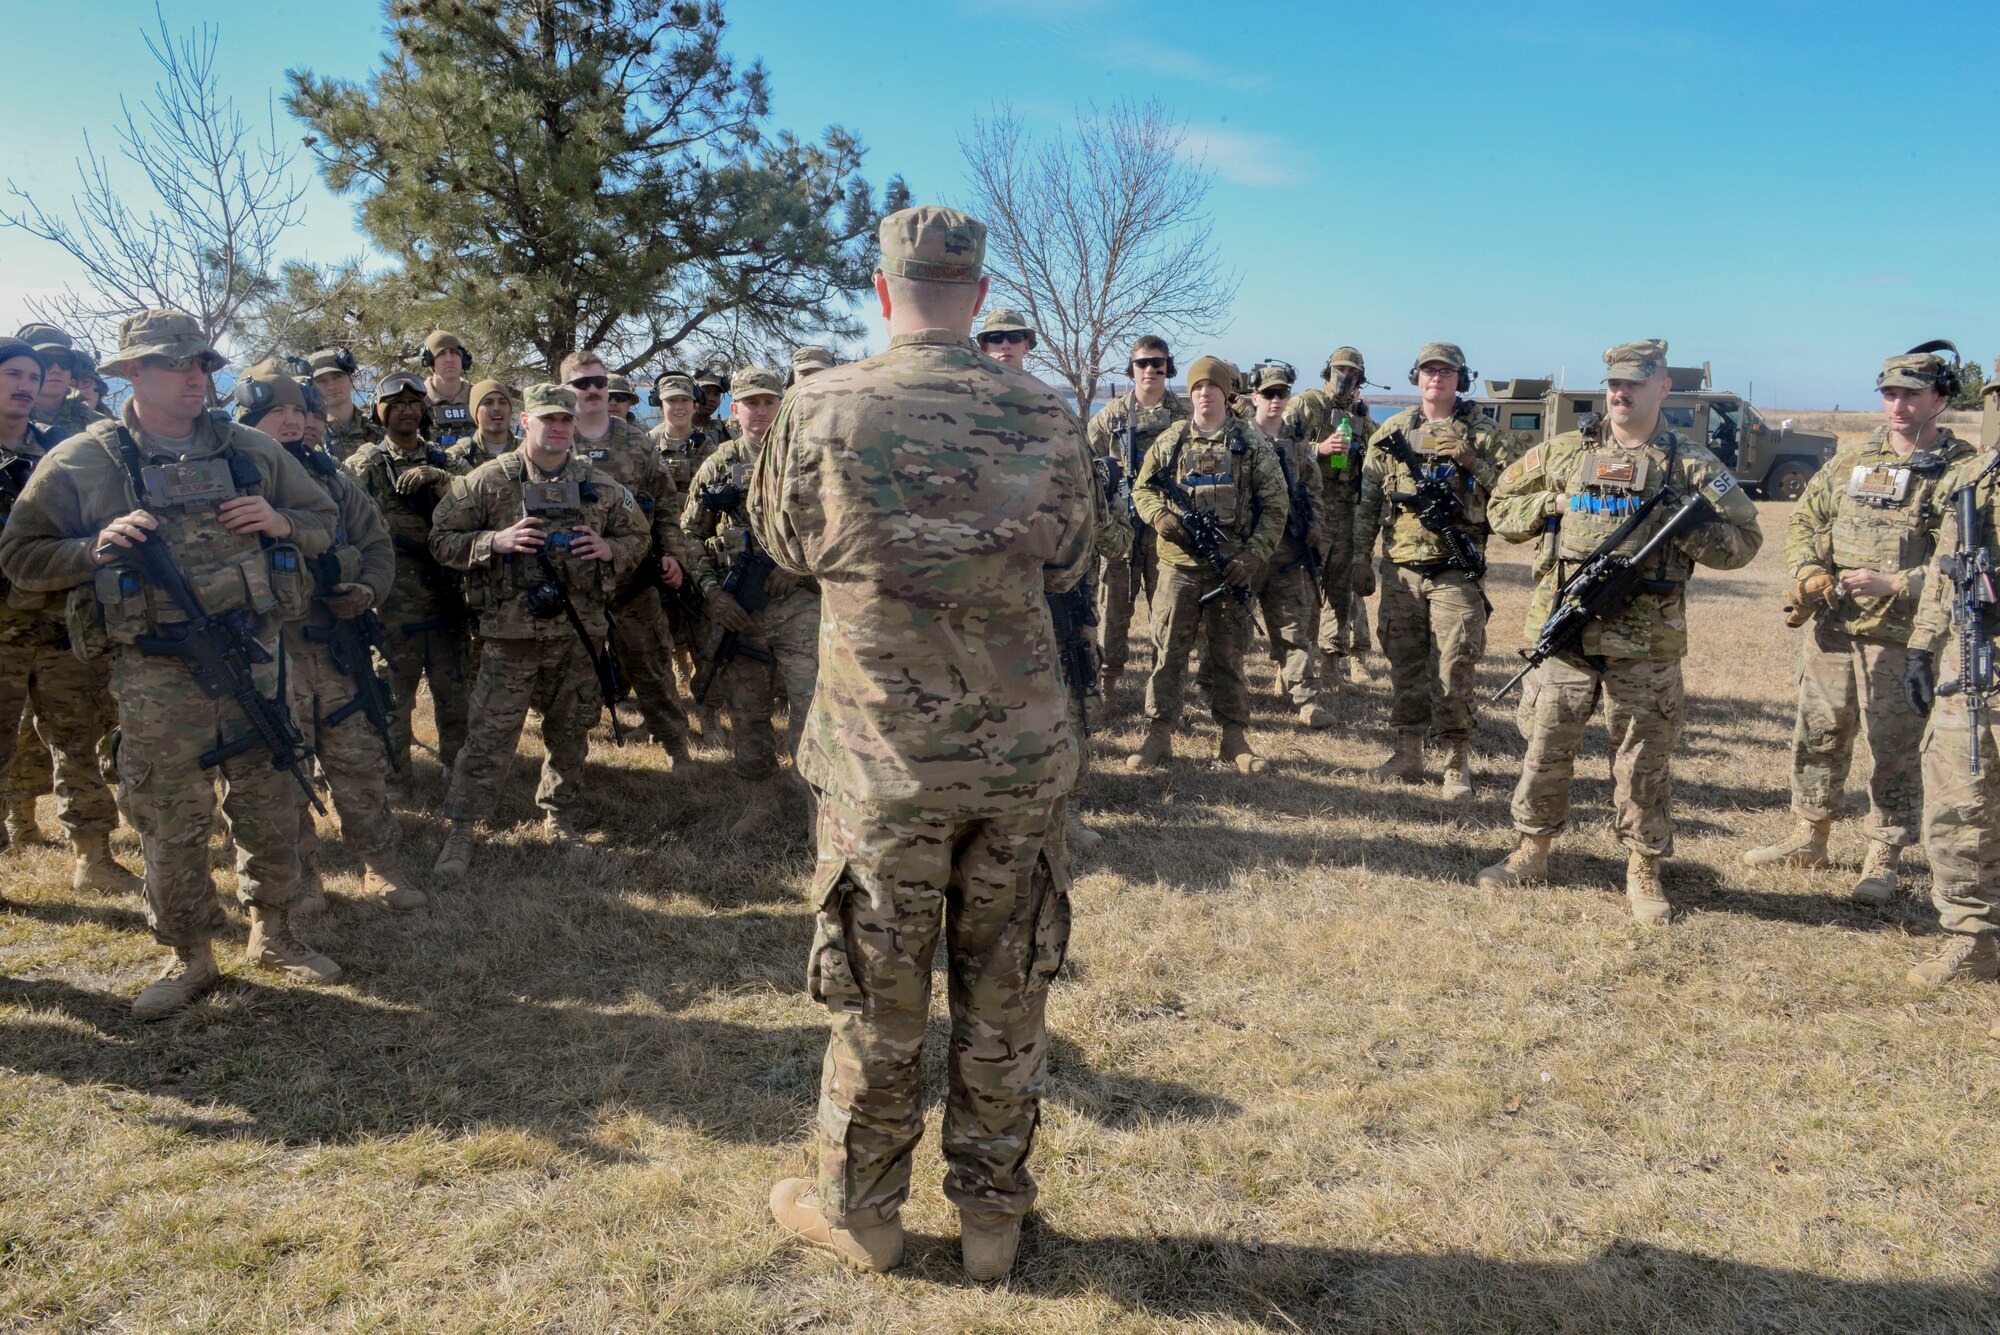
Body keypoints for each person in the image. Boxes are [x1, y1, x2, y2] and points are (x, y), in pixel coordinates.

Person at [752, 205, 1094, 1282]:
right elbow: (1074, 556)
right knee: (1006, 994)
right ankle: (992, 1221)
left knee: (877, 998)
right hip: (1015, 762)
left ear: (881, 289)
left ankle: (865, 1217)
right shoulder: (1045, 412)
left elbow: (782, 542)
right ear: (979, 295)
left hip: (881, 764)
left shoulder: (819, 405)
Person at [0, 310, 343, 1019]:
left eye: (203, 364)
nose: (196, 377)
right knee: (169, 812)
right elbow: (21, 557)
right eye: (177, 363)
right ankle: (189, 953)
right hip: (155, 672)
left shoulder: (252, 449)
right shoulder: (84, 460)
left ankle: (274, 934)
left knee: (270, 799)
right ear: (133, 371)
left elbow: (322, 521)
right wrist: (93, 547)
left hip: (253, 655)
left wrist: (280, 522)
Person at [1477, 340, 1762, 925]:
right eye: (1614, 383)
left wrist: (1686, 526)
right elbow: (1500, 510)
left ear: (1663, 388)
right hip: (1566, 635)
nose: (1620, 392)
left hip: (1646, 643)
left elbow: (1744, 543)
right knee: (1545, 749)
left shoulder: (1692, 465)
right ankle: (1532, 850)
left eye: (1634, 383)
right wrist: (1551, 505)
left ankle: (1643, 866)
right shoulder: (1564, 451)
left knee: (1642, 762)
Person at [1743, 344, 1975, 903]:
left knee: (1894, 745)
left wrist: (1898, 582)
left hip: (1904, 635)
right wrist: (1808, 570)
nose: (1898, 405)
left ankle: (1884, 855)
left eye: (1911, 394)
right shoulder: (1854, 460)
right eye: (1889, 394)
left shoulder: (1961, 469)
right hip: (1835, 628)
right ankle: (1810, 835)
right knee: (1819, 731)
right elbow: (1806, 518)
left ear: (1939, 398)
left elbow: (1964, 559)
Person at [428, 383, 647, 876]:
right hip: (510, 635)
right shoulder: (486, 482)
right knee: (489, 734)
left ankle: (559, 817)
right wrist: (494, 541)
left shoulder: (601, 486)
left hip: (578, 633)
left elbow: (638, 536)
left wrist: (611, 549)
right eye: (548, 418)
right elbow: (440, 540)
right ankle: (462, 830)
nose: (558, 428)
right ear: (526, 421)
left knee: (570, 731)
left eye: (566, 420)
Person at [230, 359, 418, 912]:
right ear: (248, 419)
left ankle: (380, 865)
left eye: (302, 410)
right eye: (279, 411)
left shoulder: (334, 480)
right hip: (266, 651)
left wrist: (366, 589)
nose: (295, 421)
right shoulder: (229, 483)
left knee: (359, 760)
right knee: (281, 766)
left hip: (336, 647)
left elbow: (377, 546)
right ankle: (303, 875)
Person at [0, 338, 135, 894]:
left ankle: (93, 858)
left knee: (77, 735)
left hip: (60, 619)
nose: (25, 385)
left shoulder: (59, 449)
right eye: (13, 374)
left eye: (32, 377)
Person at [1353, 342, 1504, 797]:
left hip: (1454, 569)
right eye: (1428, 370)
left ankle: (1456, 760)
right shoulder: (1394, 430)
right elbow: (1369, 500)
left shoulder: (1484, 432)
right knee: (1404, 662)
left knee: (1454, 666)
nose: (1436, 377)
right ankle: (1408, 752)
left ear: (1461, 378)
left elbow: (1513, 495)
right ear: (1416, 377)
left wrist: (1472, 460)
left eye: (1446, 371)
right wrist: (1359, 558)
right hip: (1401, 568)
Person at [1127, 355, 1289, 775]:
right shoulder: (1173, 440)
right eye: (1197, 386)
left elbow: (1276, 506)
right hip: (1177, 568)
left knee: (1228, 654)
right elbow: (1142, 489)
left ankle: (1233, 738)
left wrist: (1252, 555)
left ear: (1226, 392)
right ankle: (1159, 734)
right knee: (1168, 652)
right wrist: (1160, 517)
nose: (1204, 393)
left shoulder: (1250, 443)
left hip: (1228, 568)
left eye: (1212, 386)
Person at [682, 366, 817, 833]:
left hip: (799, 606)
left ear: (782, 406)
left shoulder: (808, 459)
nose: (760, 411)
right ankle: (761, 803)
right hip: (740, 610)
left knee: (812, 708)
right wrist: (712, 593)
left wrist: (797, 565)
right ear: (734, 409)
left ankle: (818, 808)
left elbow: (837, 528)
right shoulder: (718, 464)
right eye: (750, 403)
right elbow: (688, 535)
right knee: (747, 711)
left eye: (768, 402)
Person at [1904, 351, 2000, 987]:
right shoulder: (1974, 478)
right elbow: (1945, 574)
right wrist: (1920, 648)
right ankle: (1973, 939)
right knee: (1957, 810)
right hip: (1972, 668)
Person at [564, 350, 696, 764]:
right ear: (565, 389)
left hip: (633, 580)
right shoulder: (555, 437)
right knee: (572, 676)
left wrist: (673, 555)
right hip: (575, 586)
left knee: (653, 668)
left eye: (599, 382)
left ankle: (677, 749)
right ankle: (569, 763)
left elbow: (666, 505)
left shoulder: (637, 442)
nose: (593, 390)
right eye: (581, 383)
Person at [342, 373, 473, 783]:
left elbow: (479, 496)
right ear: (381, 413)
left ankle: (457, 769)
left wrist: (441, 480)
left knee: (455, 694)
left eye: (415, 404)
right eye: (396, 405)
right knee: (393, 698)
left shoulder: (443, 461)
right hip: (393, 604)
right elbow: (344, 516)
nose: (407, 411)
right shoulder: (365, 463)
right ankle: (396, 778)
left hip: (446, 597)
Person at [1088, 335, 1189, 704]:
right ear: (1131, 369)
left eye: (1157, 363)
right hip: (1123, 529)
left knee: (1168, 613)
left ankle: (1163, 694)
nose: (1150, 369)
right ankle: (1108, 687)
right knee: (1114, 611)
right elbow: (1088, 463)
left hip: (1168, 529)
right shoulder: (1111, 415)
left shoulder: (1184, 415)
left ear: (1168, 367)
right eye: (1142, 363)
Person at [1243, 362, 1333, 726]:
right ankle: (1216, 690)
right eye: (1268, 394)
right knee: (1233, 628)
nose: (1275, 400)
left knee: (1294, 628)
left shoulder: (1298, 444)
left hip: (1289, 550)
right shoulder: (1239, 439)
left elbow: (1314, 489)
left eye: (1281, 393)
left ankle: (1306, 700)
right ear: (1255, 398)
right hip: (1248, 550)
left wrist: (1315, 527)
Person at [1283, 347, 1378, 683]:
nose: (1345, 377)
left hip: (1348, 514)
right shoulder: (1306, 404)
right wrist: (1317, 449)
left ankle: (1333, 661)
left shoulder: (1359, 414)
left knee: (1343, 592)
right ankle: (1294, 664)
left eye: (1353, 372)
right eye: (1340, 369)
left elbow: (1376, 453)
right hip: (1312, 511)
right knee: (1305, 589)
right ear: (1328, 371)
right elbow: (1278, 447)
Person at [310, 346, 383, 462]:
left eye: (337, 376)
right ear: (312, 387)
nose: (331, 386)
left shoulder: (378, 427)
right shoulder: (312, 435)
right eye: (321, 380)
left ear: (352, 378)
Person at [421, 330, 475, 447]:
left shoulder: (478, 397)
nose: (449, 359)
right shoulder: (417, 400)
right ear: (429, 360)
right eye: (441, 353)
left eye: (454, 352)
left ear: (464, 358)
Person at [455, 379, 518, 465]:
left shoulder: (527, 451)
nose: (496, 408)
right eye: (488, 403)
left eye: (502, 402)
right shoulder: (458, 457)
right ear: (475, 412)